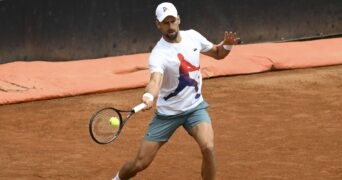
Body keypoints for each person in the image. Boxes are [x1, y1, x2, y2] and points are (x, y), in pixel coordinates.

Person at [113, 2, 238, 180]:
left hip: (194, 108)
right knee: (140, 163)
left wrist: (227, 45)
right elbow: (155, 80)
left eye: (172, 21)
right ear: (158, 24)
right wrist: (148, 96)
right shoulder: (158, 54)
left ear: (178, 19)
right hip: (167, 114)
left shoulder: (193, 37)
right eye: (165, 23)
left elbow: (218, 53)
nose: (170, 26)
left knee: (208, 147)